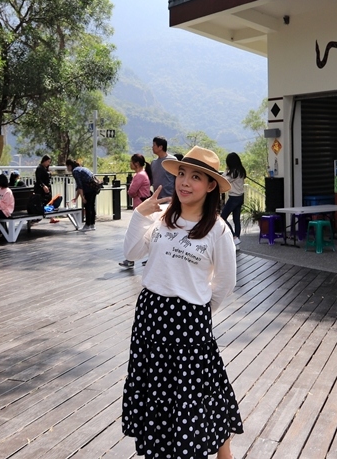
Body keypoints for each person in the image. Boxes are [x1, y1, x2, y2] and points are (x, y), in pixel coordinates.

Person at [121, 146, 242, 459]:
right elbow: (133, 252)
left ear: (211, 185)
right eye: (183, 174)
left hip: (189, 322)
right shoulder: (163, 218)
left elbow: (225, 282)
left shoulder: (217, 229)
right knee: (159, 393)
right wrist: (139, 214)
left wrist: (197, 310)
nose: (185, 183)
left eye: (196, 177)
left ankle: (219, 449)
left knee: (194, 392)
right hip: (150, 316)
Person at [119, 154, 152, 268]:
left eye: (131, 162)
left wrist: (135, 193)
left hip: (140, 208)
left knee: (134, 233)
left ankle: (130, 259)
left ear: (136, 163)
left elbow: (131, 192)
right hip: (143, 206)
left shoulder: (139, 175)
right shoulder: (144, 174)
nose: (130, 164)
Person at [221, 152, 247, 248]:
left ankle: (234, 237)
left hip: (233, 198)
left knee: (222, 218)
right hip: (240, 197)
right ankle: (237, 243)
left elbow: (223, 179)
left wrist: (226, 170)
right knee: (236, 220)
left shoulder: (233, 172)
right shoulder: (240, 171)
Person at [67, 159, 99, 232]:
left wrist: (82, 198)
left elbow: (80, 186)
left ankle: (87, 225)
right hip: (94, 188)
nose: (67, 168)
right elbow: (79, 187)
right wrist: (76, 197)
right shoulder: (82, 168)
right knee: (91, 206)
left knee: (87, 207)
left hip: (88, 189)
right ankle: (92, 225)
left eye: (67, 167)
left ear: (70, 166)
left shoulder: (75, 171)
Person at [149, 136, 175, 201]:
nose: (152, 147)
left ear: (160, 147)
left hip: (170, 199)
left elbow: (178, 179)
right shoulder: (153, 163)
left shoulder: (172, 160)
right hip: (157, 200)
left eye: (154, 145)